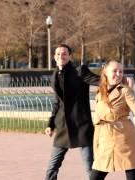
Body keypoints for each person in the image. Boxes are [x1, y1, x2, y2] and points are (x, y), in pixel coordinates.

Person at [90, 60, 135, 180]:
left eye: (121, 71)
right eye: (114, 71)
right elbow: (98, 119)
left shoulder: (125, 91)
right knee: (95, 176)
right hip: (105, 141)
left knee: (132, 175)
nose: (118, 74)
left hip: (125, 141)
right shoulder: (100, 93)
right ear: (105, 72)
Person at [45, 44, 100, 180]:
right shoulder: (54, 76)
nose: (61, 56)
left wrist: (119, 80)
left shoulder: (79, 71)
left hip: (82, 126)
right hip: (63, 127)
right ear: (54, 57)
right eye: (58, 54)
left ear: (69, 56)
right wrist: (51, 124)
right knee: (52, 167)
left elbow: (99, 81)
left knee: (89, 167)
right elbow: (57, 102)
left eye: (64, 54)